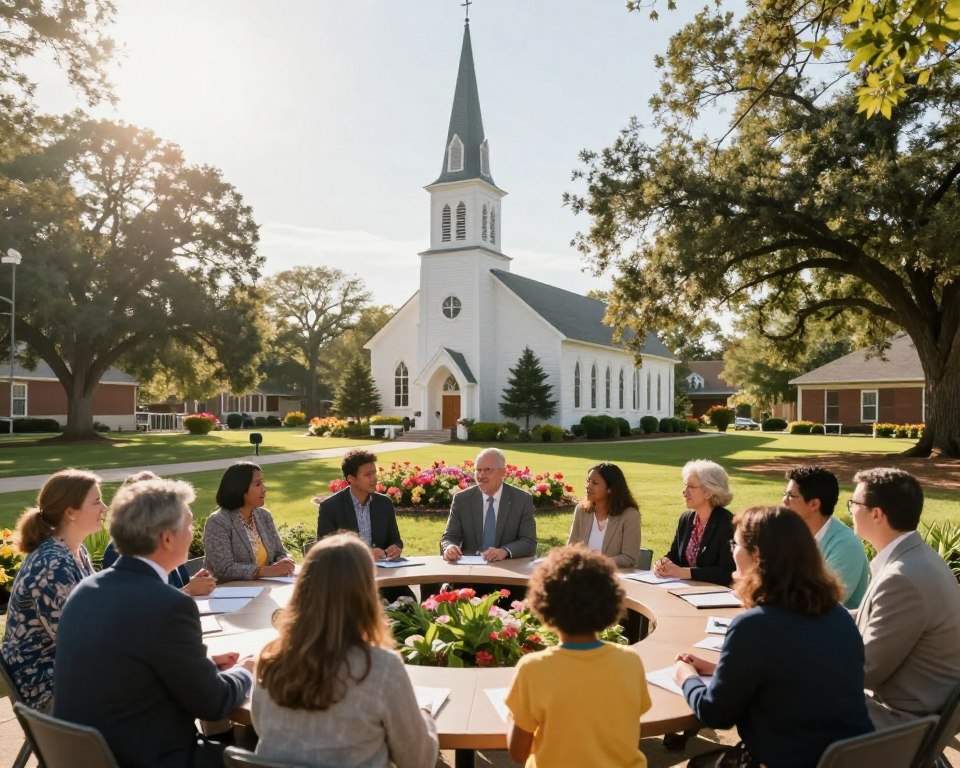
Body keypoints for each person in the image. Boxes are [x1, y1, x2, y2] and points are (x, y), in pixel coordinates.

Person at [53, 478, 254, 768]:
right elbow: (214, 702)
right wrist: (247, 670)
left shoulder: (86, 589)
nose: (192, 532)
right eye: (188, 526)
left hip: (89, 756)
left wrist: (202, 665)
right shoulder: (169, 605)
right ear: (167, 538)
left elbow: (132, 666)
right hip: (148, 758)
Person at [673, 506, 873, 768]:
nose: (732, 550)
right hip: (849, 757)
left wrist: (685, 676)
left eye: (736, 544)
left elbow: (715, 714)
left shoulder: (754, 626)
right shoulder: (838, 615)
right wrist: (720, 668)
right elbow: (792, 670)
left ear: (756, 557)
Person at [252, 532, 439, 768]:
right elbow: (419, 761)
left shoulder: (270, 658)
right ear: (367, 592)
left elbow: (261, 728)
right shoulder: (380, 668)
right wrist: (424, 715)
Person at [505, 545, 651, 768]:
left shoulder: (533, 669)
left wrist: (512, 717)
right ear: (610, 602)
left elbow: (517, 752)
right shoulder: (630, 661)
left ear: (544, 605)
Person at [850, 467, 960, 729]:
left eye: (853, 503)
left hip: (899, 722)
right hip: (917, 711)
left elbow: (864, 672)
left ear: (876, 514)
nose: (850, 509)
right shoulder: (920, 557)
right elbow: (874, 619)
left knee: (782, 697)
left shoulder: (902, 578)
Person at [0, 469, 105, 711]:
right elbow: (79, 642)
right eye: (97, 501)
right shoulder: (51, 565)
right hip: (48, 689)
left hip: (70, 676)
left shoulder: (76, 552)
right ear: (70, 512)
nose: (104, 508)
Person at [317, 448, 414, 602]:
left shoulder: (384, 503)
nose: (374, 478)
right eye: (367, 475)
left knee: (409, 600)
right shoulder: (330, 507)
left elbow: (395, 539)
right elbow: (326, 553)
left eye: (374, 473)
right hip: (348, 581)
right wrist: (365, 555)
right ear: (351, 479)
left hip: (384, 577)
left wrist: (396, 547)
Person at [101, 470, 216, 596]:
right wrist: (189, 590)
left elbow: (172, 585)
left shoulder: (165, 546)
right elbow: (139, 601)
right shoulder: (119, 550)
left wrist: (194, 582)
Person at [782, 465, 869, 608]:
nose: (784, 501)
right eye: (785, 494)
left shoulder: (846, 545)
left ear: (814, 504)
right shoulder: (791, 535)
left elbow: (826, 602)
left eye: (791, 496)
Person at [203, 462, 295, 582]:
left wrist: (284, 562)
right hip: (229, 594)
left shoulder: (264, 516)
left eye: (263, 482)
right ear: (240, 489)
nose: (264, 489)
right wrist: (267, 571)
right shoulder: (217, 522)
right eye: (258, 484)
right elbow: (224, 569)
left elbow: (279, 553)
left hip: (265, 589)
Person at [440, 447, 536, 562]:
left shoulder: (521, 500)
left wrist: (504, 551)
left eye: (487, 470)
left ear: (502, 472)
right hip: (469, 572)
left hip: (506, 570)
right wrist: (449, 548)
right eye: (478, 470)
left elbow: (528, 542)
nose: (481, 476)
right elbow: (450, 537)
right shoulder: (462, 499)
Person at [654, 459, 735, 585]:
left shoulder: (727, 523)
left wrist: (683, 572)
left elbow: (727, 572)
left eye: (691, 487)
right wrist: (664, 563)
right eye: (685, 486)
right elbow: (675, 555)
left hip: (714, 596)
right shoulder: (686, 519)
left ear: (708, 492)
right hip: (684, 590)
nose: (684, 492)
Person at [567, 462, 641, 568]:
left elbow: (629, 558)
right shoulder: (581, 510)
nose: (588, 486)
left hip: (613, 578)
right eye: (588, 481)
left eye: (595, 483)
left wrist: (597, 563)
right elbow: (571, 548)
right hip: (582, 577)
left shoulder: (629, 516)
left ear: (610, 488)